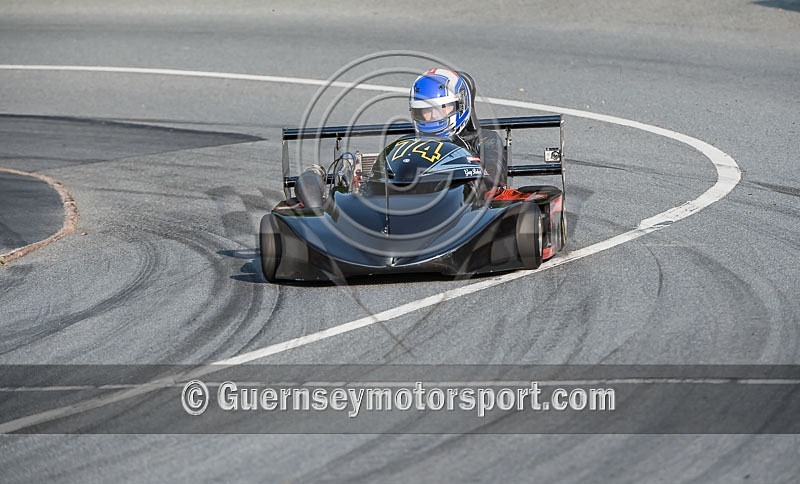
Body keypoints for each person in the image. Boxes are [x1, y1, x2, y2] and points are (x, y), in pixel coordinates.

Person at [408, 68, 507, 187]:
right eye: (426, 110)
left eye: (441, 108)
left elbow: (493, 178)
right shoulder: (410, 145)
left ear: (460, 105)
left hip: (466, 202)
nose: (433, 115)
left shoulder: (485, 140)